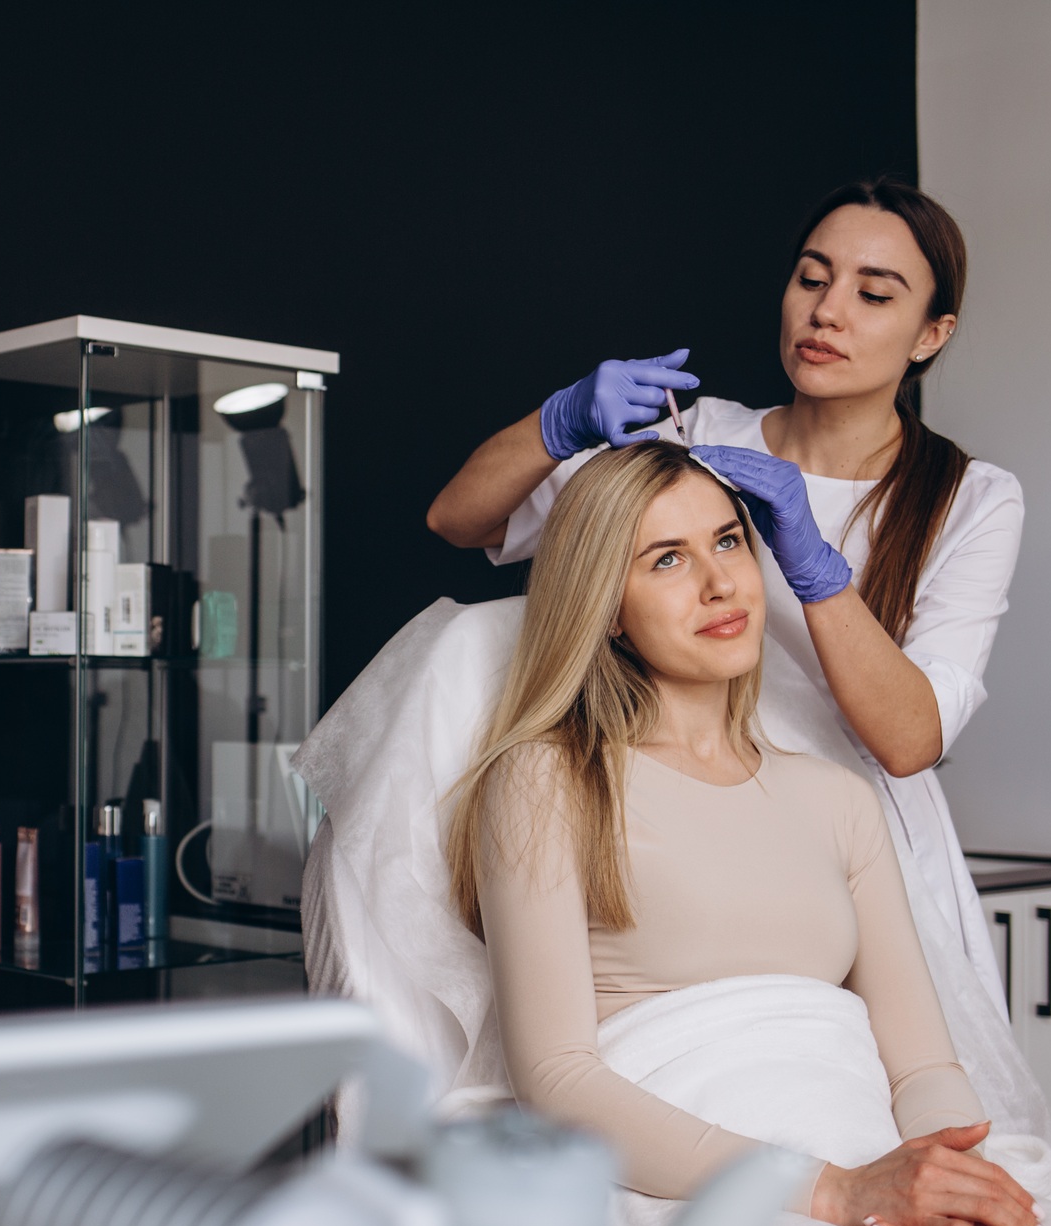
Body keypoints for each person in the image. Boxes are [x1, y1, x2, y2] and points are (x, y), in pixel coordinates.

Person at [432, 441, 1051, 1226]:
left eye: (729, 542)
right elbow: (557, 1078)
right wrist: (833, 1192)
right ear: (607, 608)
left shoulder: (836, 796)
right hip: (691, 1183)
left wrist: (944, 1169)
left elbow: (921, 1060)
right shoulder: (547, 779)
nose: (721, 583)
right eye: (668, 559)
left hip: (870, 1152)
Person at [427, 179, 1014, 1012]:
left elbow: (911, 737)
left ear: (931, 333)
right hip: (672, 820)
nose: (827, 311)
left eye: (873, 293)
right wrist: (557, 422)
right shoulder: (696, 438)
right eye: (812, 278)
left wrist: (812, 566)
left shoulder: (972, 497)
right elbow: (457, 518)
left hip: (852, 849)